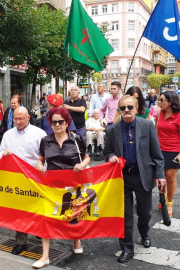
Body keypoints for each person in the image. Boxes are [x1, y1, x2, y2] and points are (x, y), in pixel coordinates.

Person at [104, 95, 166, 263]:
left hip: (143, 175)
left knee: (144, 212)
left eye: (130, 107)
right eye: (122, 108)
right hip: (122, 177)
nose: (126, 111)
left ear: (137, 108)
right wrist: (110, 157)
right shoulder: (112, 129)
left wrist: (160, 175)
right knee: (124, 215)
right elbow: (106, 153)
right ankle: (126, 248)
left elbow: (157, 155)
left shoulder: (147, 125)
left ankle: (144, 232)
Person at [33, 107, 90, 269]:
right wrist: (39, 165)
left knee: (74, 215)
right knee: (47, 217)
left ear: (67, 123)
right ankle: (45, 256)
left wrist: (81, 165)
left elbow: (86, 158)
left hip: (73, 185)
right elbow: (41, 158)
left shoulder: (76, 139)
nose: (57, 125)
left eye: (61, 122)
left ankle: (76, 241)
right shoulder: (45, 140)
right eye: (54, 122)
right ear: (50, 124)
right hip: (52, 185)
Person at [0, 107, 46, 256]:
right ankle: (21, 241)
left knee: (37, 208)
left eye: (21, 119)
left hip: (35, 177)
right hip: (16, 179)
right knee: (19, 211)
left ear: (28, 118)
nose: (17, 122)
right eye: (15, 119)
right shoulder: (8, 134)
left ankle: (38, 230)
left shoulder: (39, 134)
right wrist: (3, 154)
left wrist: (41, 165)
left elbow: (45, 155)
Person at [156, 91, 180, 217]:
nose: (159, 102)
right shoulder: (160, 113)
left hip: (174, 150)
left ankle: (169, 202)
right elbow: (156, 131)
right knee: (161, 177)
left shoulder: (179, 115)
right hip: (159, 149)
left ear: (170, 102)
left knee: (170, 177)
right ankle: (162, 197)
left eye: (161, 100)